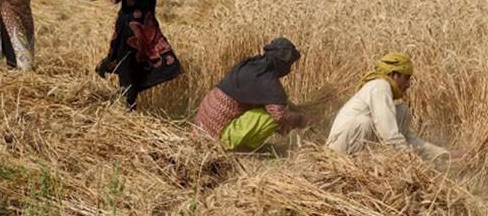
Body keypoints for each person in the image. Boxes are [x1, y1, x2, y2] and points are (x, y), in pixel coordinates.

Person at [326, 53, 454, 160]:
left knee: (403, 111)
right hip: (339, 151)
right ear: (394, 75)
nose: (409, 84)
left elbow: (406, 138)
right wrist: (411, 160)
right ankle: (356, 164)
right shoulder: (380, 86)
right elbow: (389, 134)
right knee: (365, 122)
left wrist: (442, 153)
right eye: (407, 78)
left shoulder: (382, 88)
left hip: (354, 144)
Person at [193, 38, 309, 151]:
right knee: (271, 117)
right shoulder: (267, 80)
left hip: (201, 129)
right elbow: (279, 115)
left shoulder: (252, 66)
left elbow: (268, 99)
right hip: (215, 137)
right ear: (283, 63)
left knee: (274, 107)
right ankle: (236, 146)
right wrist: (299, 119)